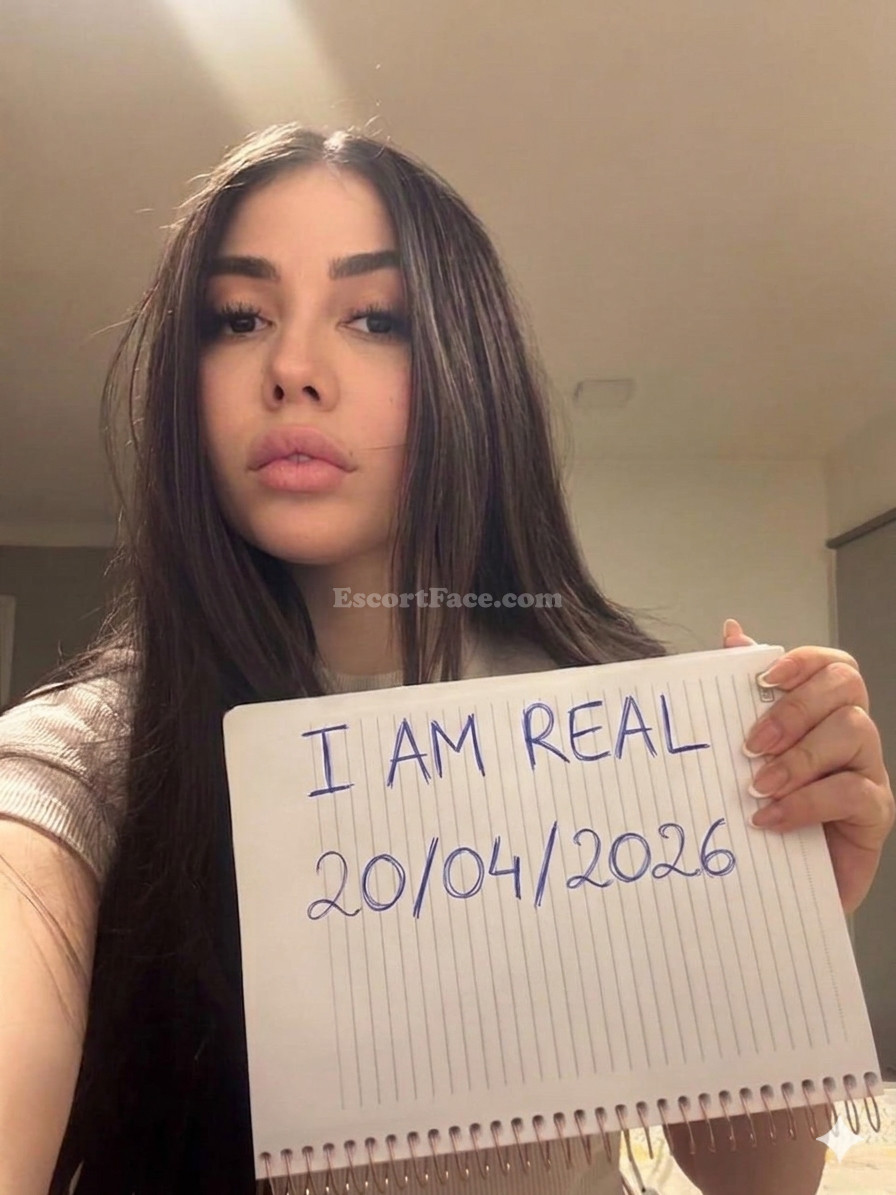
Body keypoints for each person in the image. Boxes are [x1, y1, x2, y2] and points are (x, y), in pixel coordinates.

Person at [0, 123, 891, 1195]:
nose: (292, 369)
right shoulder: (84, 760)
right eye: (239, 318)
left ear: (470, 368)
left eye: (374, 317)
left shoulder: (615, 729)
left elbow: (757, 1182)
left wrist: (779, 922)